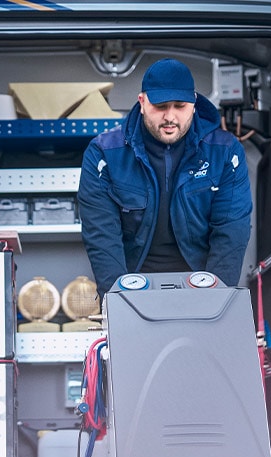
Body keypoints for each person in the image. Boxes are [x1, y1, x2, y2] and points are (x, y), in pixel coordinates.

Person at [78, 58, 252, 295]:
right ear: (142, 102)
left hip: (201, 285)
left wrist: (216, 300)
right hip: (132, 285)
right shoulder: (104, 155)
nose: (170, 117)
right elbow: (102, 238)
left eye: (180, 106)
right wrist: (119, 301)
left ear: (194, 104)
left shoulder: (225, 152)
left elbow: (231, 232)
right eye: (161, 106)